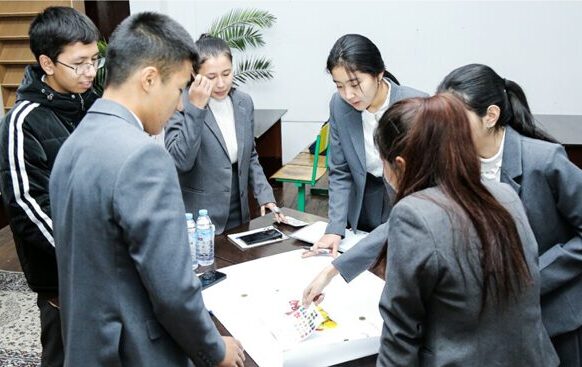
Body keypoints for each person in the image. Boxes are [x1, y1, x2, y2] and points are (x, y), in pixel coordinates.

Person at [49, 12, 244, 367]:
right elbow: (173, 290)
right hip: (135, 352)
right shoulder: (144, 157)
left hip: (88, 346)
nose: (181, 104)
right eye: (179, 88)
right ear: (150, 79)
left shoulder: (74, 143)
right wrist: (214, 350)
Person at [375, 94, 558, 366]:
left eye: (383, 164)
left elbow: (400, 331)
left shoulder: (412, 213)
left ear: (400, 164)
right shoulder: (504, 194)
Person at [438, 63, 582, 367]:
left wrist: (533, 276)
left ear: (490, 116)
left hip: (555, 315)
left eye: (455, 119)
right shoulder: (457, 164)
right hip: (497, 321)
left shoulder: (544, 160)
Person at [0, 7, 100, 366]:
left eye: (94, 60)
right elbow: (27, 206)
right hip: (64, 278)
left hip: (108, 269)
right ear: (47, 63)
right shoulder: (22, 122)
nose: (89, 72)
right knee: (65, 355)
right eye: (79, 63)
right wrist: (89, 257)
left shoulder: (95, 103)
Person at [310, 34, 426, 257]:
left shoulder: (416, 105)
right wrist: (335, 228)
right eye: (339, 86)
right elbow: (340, 170)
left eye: (355, 84)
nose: (348, 95)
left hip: (406, 202)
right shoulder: (339, 106)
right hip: (363, 200)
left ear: (379, 73)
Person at [165, 34, 283, 234]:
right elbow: (180, 161)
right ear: (195, 74)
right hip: (199, 219)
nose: (221, 84)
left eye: (226, 73)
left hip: (240, 211)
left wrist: (265, 195)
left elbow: (250, 155)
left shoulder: (243, 102)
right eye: (211, 77)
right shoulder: (178, 103)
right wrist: (196, 108)